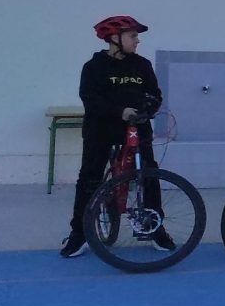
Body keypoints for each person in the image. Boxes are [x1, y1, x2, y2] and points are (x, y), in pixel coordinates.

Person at [65, 15, 168, 258]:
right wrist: (120, 112)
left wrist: (148, 108)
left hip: (137, 128)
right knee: (89, 177)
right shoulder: (93, 67)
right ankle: (79, 233)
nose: (137, 40)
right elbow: (90, 99)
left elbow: (154, 94)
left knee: (149, 174)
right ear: (114, 38)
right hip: (101, 129)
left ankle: (155, 228)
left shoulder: (142, 65)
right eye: (133, 36)